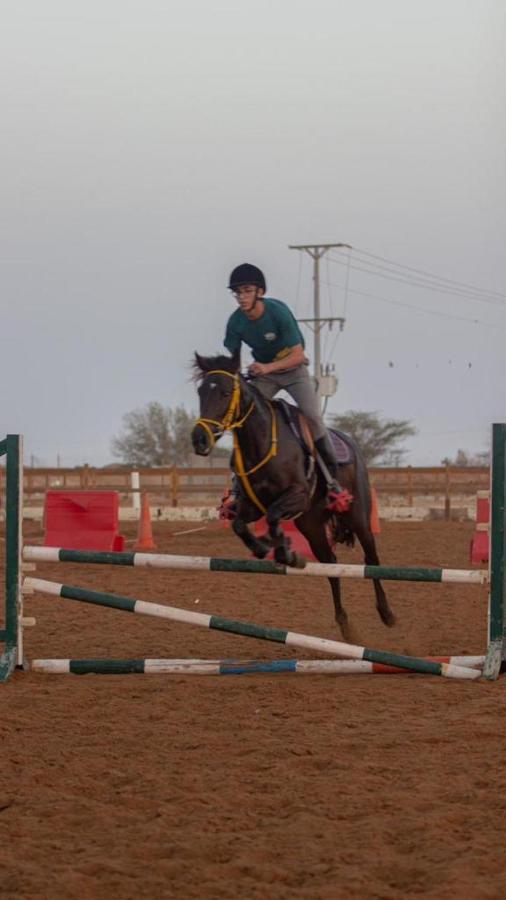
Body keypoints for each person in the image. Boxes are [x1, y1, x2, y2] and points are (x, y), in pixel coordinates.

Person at [221, 262, 352, 516]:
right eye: (237, 292)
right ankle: (237, 489)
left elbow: (298, 356)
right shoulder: (235, 322)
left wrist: (266, 368)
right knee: (242, 420)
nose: (241, 297)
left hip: (293, 372)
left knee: (313, 416)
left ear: (260, 291)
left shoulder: (278, 313)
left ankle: (333, 481)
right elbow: (233, 358)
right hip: (264, 375)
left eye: (246, 290)